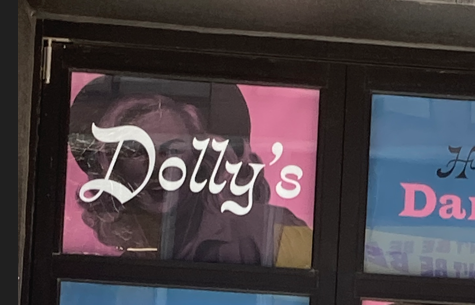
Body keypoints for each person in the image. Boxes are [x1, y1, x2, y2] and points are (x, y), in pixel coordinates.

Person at [67, 77, 312, 266]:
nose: (158, 167)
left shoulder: (272, 234)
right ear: (112, 166)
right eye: (137, 152)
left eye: (173, 150)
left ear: (200, 158)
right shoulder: (126, 263)